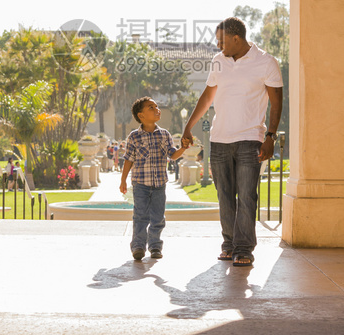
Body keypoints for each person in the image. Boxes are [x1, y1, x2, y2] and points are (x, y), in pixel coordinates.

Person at [183, 17, 283, 267]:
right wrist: (188, 125)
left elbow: (276, 101)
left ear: (236, 38)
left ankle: (244, 248)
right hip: (219, 139)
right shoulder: (218, 61)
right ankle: (229, 244)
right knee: (224, 196)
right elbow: (208, 96)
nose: (218, 46)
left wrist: (270, 135)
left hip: (250, 139)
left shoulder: (266, 62)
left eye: (222, 41)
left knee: (247, 196)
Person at [119, 96, 187, 260]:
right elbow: (128, 159)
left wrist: (183, 148)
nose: (157, 109)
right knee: (140, 215)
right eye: (151, 107)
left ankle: (155, 246)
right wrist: (123, 180)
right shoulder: (134, 137)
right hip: (140, 184)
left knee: (158, 216)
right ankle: (138, 246)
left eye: (157, 106)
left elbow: (173, 155)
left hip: (159, 184)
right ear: (141, 115)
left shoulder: (164, 135)